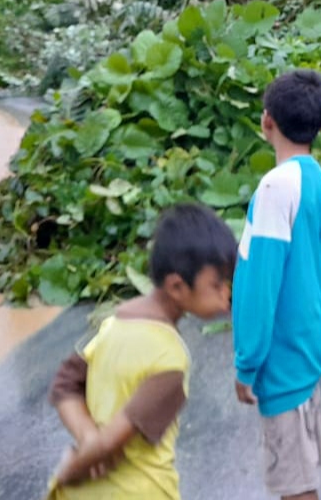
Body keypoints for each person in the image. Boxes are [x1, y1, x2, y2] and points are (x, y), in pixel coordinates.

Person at [45, 203, 237, 499]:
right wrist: (70, 470)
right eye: (217, 284)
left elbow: (65, 386)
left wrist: (86, 437)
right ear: (176, 286)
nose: (227, 294)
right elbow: (111, 443)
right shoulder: (169, 360)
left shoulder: (113, 324)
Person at [233, 69, 321, 500]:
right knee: (302, 477)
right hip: (306, 344)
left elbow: (262, 284)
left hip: (281, 355)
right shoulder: (315, 179)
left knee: (296, 488)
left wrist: (247, 363)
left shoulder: (276, 187)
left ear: (266, 121)